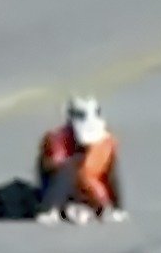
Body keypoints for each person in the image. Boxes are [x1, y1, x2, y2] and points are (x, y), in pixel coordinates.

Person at [35, 95, 129, 225]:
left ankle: (109, 208)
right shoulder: (57, 139)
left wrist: (110, 205)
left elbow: (110, 176)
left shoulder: (106, 142)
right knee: (70, 166)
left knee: (102, 168)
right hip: (65, 190)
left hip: (92, 189)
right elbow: (49, 169)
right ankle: (52, 209)